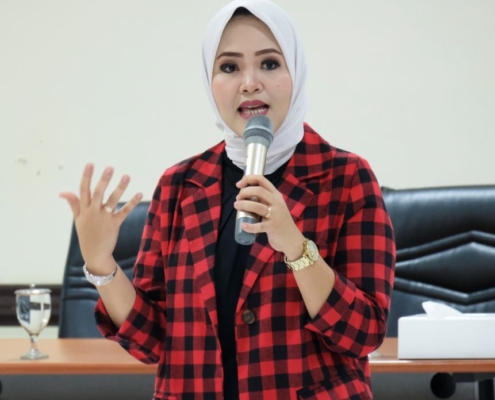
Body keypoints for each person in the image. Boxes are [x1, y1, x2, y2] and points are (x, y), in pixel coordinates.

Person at [60, 0, 396, 399]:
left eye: (269, 63)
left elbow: (363, 333)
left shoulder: (346, 178)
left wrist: (296, 247)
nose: (249, 83)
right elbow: (152, 342)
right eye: (230, 67)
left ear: (296, 71)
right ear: (209, 80)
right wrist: (101, 265)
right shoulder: (179, 185)